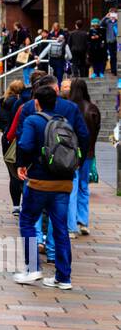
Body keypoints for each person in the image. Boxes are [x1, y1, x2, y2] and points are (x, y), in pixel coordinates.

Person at [12, 86, 78, 289]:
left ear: (37, 102)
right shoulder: (64, 122)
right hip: (63, 182)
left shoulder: (33, 120)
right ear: (55, 102)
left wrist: (22, 165)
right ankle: (63, 277)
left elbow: (24, 145)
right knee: (60, 228)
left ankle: (33, 269)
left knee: (27, 221)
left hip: (40, 181)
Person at [66, 78, 100, 238]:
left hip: (71, 153)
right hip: (88, 154)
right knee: (84, 187)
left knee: (72, 188)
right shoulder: (92, 109)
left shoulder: (69, 108)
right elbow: (95, 133)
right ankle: (83, 221)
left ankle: (71, 226)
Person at [0, 78, 27, 214]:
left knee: (13, 174)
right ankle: (25, 203)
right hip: (18, 138)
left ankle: (15, 205)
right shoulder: (22, 104)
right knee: (23, 172)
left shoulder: (2, 103)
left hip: (6, 139)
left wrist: (4, 128)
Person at [102, 8, 118, 76]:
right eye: (111, 13)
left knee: (118, 55)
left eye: (114, 12)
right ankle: (113, 70)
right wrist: (106, 16)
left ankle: (118, 69)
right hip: (110, 42)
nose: (113, 14)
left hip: (118, 42)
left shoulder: (118, 21)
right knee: (112, 56)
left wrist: (118, 18)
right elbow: (100, 24)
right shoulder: (108, 21)